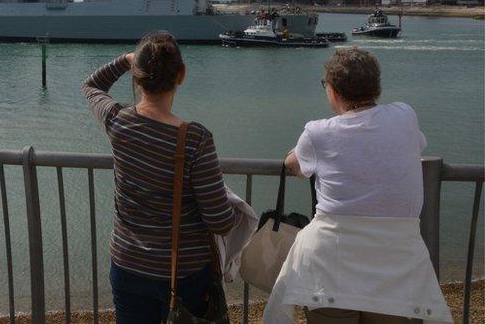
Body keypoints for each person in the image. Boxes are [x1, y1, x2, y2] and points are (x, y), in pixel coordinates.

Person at [265, 47, 451, 323]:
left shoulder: (318, 132)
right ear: (376, 87)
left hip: (330, 264)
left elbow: (294, 165)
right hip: (394, 267)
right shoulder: (405, 115)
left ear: (334, 91)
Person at [83, 31, 236, 323]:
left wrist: (126, 60)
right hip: (183, 275)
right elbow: (220, 221)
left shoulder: (118, 120)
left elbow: (92, 85)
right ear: (181, 75)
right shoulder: (195, 138)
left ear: (137, 77)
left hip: (127, 264)